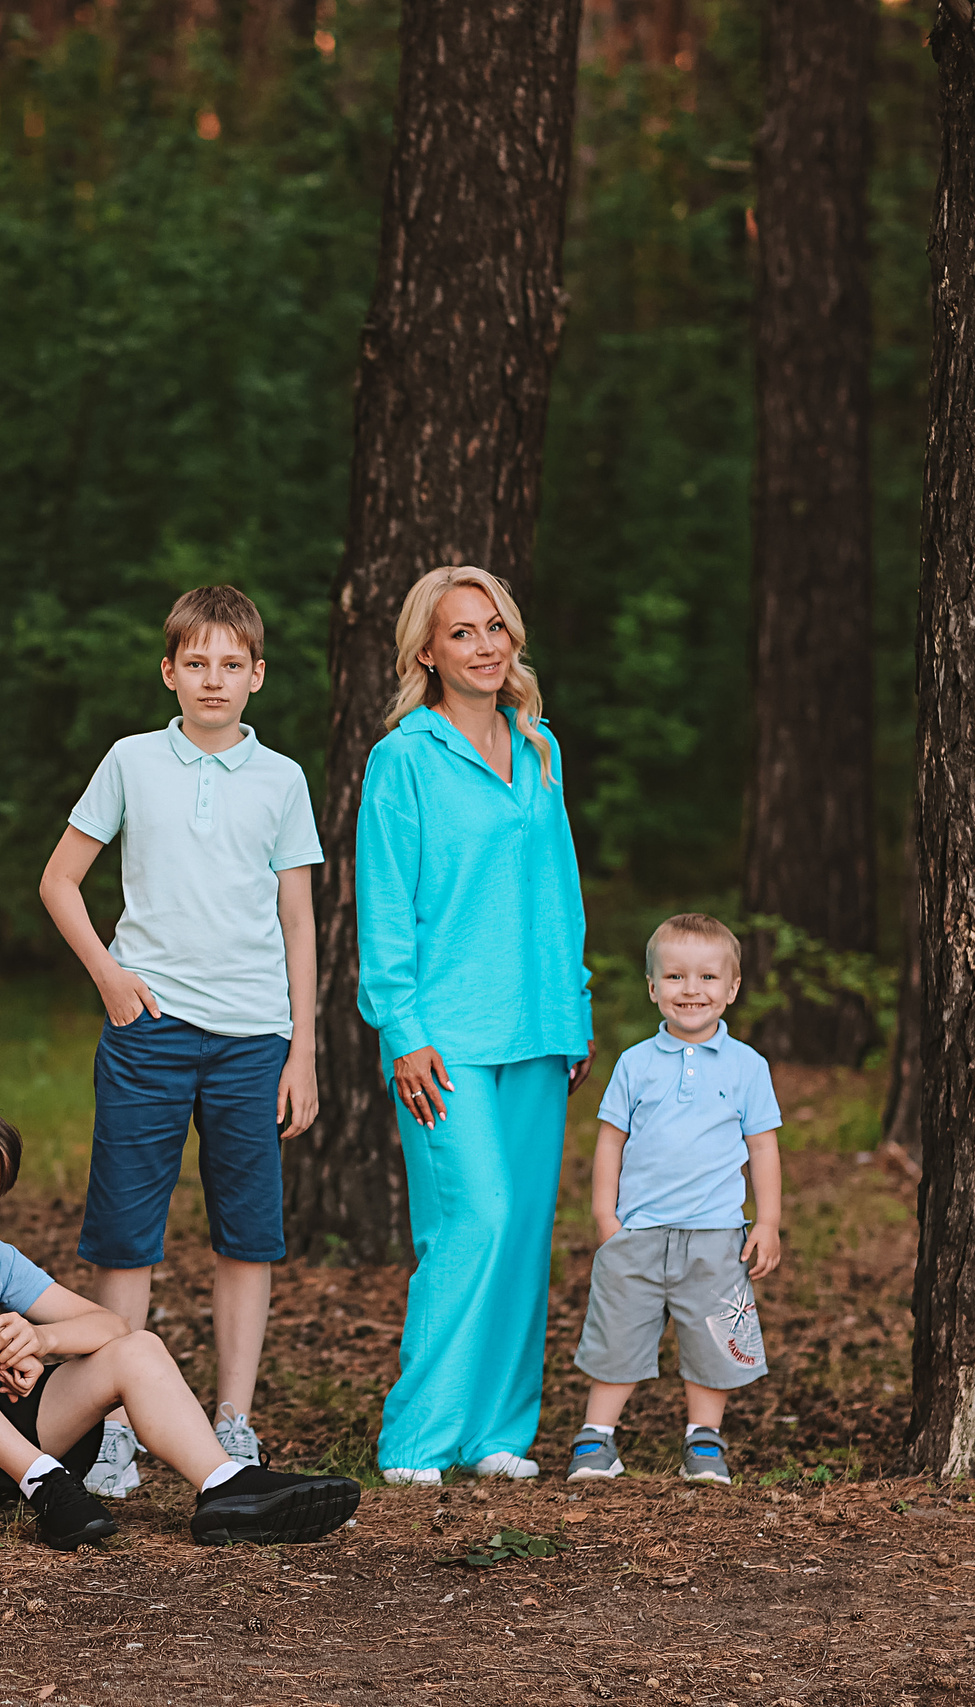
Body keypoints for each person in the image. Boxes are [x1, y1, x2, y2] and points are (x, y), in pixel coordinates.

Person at [38, 584, 322, 1497]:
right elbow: (60, 881)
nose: (213, 679)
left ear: (258, 677)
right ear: (169, 672)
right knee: (126, 1234)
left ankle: (231, 1418)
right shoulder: (131, 761)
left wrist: (303, 1048)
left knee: (248, 1233)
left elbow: (299, 920)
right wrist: (110, 977)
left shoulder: (282, 779)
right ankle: (116, 1423)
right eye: (195, 663)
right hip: (149, 1030)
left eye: (230, 664)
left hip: (251, 1036)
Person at [0, 1101, 363, 1550]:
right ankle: (43, 1480)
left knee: (136, 1347)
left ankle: (224, 1486)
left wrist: (40, 1339)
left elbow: (109, 1324)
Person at [356, 565, 595, 1487]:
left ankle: (496, 1430)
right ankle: (417, 1439)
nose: (486, 644)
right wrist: (401, 1028)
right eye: (463, 631)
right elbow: (383, 906)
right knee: (474, 1219)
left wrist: (573, 1009)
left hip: (539, 1027)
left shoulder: (540, 748)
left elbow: (560, 889)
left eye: (496, 627)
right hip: (441, 1033)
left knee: (525, 1228)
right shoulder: (404, 758)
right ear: (428, 651)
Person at [565, 914, 783, 1486]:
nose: (692, 990)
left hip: (717, 1235)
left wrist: (769, 1221)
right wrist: (605, 1216)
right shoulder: (636, 1063)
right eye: (676, 977)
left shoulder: (747, 1067)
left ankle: (704, 1439)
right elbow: (611, 1140)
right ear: (653, 987)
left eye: (708, 977)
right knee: (618, 1331)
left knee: (712, 1337)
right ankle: (597, 1440)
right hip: (638, 1232)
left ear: (732, 989)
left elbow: (762, 1148)